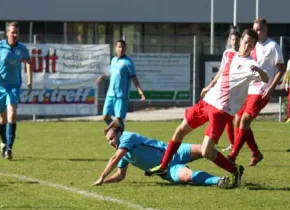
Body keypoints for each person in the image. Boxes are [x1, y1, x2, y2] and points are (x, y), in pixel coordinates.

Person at [145, 29, 268, 188]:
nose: (246, 47)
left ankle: (236, 169)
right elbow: (222, 72)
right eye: (245, 43)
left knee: (206, 151)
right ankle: (163, 167)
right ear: (241, 41)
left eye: (250, 45)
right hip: (206, 102)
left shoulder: (252, 64)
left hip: (220, 110)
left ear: (253, 47)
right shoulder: (228, 54)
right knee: (180, 130)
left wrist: (259, 71)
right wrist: (209, 86)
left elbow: (265, 78)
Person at [92, 122, 231, 188]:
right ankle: (219, 181)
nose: (110, 142)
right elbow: (120, 175)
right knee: (188, 176)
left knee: (205, 149)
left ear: (119, 133)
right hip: (167, 170)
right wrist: (104, 181)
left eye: (111, 138)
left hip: (173, 151)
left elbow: (115, 158)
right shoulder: (124, 154)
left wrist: (101, 176)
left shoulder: (127, 137)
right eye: (108, 140)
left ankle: (234, 168)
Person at [229, 18, 286, 167]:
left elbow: (281, 68)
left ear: (265, 30)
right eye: (255, 29)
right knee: (238, 120)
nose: (256, 31)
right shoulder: (252, 46)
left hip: (261, 90)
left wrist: (271, 88)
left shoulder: (273, 46)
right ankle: (256, 153)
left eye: (259, 29)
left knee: (245, 120)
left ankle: (232, 155)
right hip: (248, 89)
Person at [0, 21, 32, 160]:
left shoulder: (22, 48)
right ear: (7, 33)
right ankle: (3, 143)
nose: (15, 35)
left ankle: (9, 149)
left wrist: (29, 81)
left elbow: (28, 62)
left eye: (17, 32)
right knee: (2, 118)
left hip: (14, 87)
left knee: (12, 116)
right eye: (12, 32)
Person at [96, 40, 145, 129]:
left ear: (126, 49)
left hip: (121, 95)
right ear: (115, 48)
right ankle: (117, 132)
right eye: (119, 47)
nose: (121, 49)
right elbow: (112, 73)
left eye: (123, 47)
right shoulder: (113, 60)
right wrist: (103, 76)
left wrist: (140, 90)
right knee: (105, 117)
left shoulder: (128, 62)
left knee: (119, 119)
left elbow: (133, 77)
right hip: (110, 94)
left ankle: (120, 136)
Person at [221, 30, 241, 153]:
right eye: (232, 39)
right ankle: (232, 143)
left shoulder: (244, 53)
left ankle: (237, 144)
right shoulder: (227, 53)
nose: (234, 42)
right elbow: (222, 69)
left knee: (239, 119)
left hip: (240, 90)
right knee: (228, 118)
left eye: (236, 39)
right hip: (228, 89)